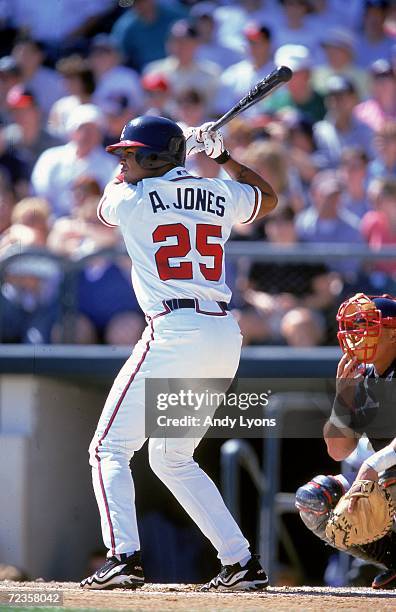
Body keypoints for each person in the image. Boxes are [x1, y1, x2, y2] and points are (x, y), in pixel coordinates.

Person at [79, 114, 277, 590]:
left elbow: (104, 206)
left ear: (153, 158)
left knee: (108, 447)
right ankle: (240, 561)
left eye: (131, 154)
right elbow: (268, 199)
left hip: (174, 330)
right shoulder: (218, 189)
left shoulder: (130, 197)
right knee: (171, 458)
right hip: (220, 335)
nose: (123, 162)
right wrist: (221, 156)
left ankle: (122, 556)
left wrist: (180, 152)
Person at [295, 292, 396, 589]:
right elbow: (338, 450)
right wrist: (343, 398)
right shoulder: (364, 378)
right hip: (386, 478)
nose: (357, 335)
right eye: (355, 326)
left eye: (367, 326)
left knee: (390, 477)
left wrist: (373, 465)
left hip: (389, 474)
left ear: (393, 334)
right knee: (313, 499)